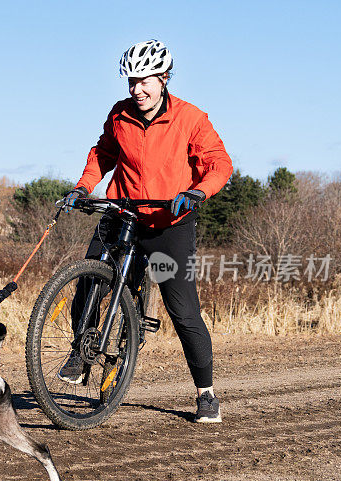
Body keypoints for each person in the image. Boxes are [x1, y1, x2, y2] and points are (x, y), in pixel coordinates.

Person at [59, 39, 232, 423]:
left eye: (144, 81)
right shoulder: (120, 115)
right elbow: (103, 154)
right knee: (89, 281)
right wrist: (83, 187)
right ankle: (81, 351)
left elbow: (219, 163)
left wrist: (197, 191)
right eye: (130, 81)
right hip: (122, 213)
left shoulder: (190, 118)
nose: (136, 89)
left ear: (163, 78)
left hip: (167, 225)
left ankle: (206, 393)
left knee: (182, 310)